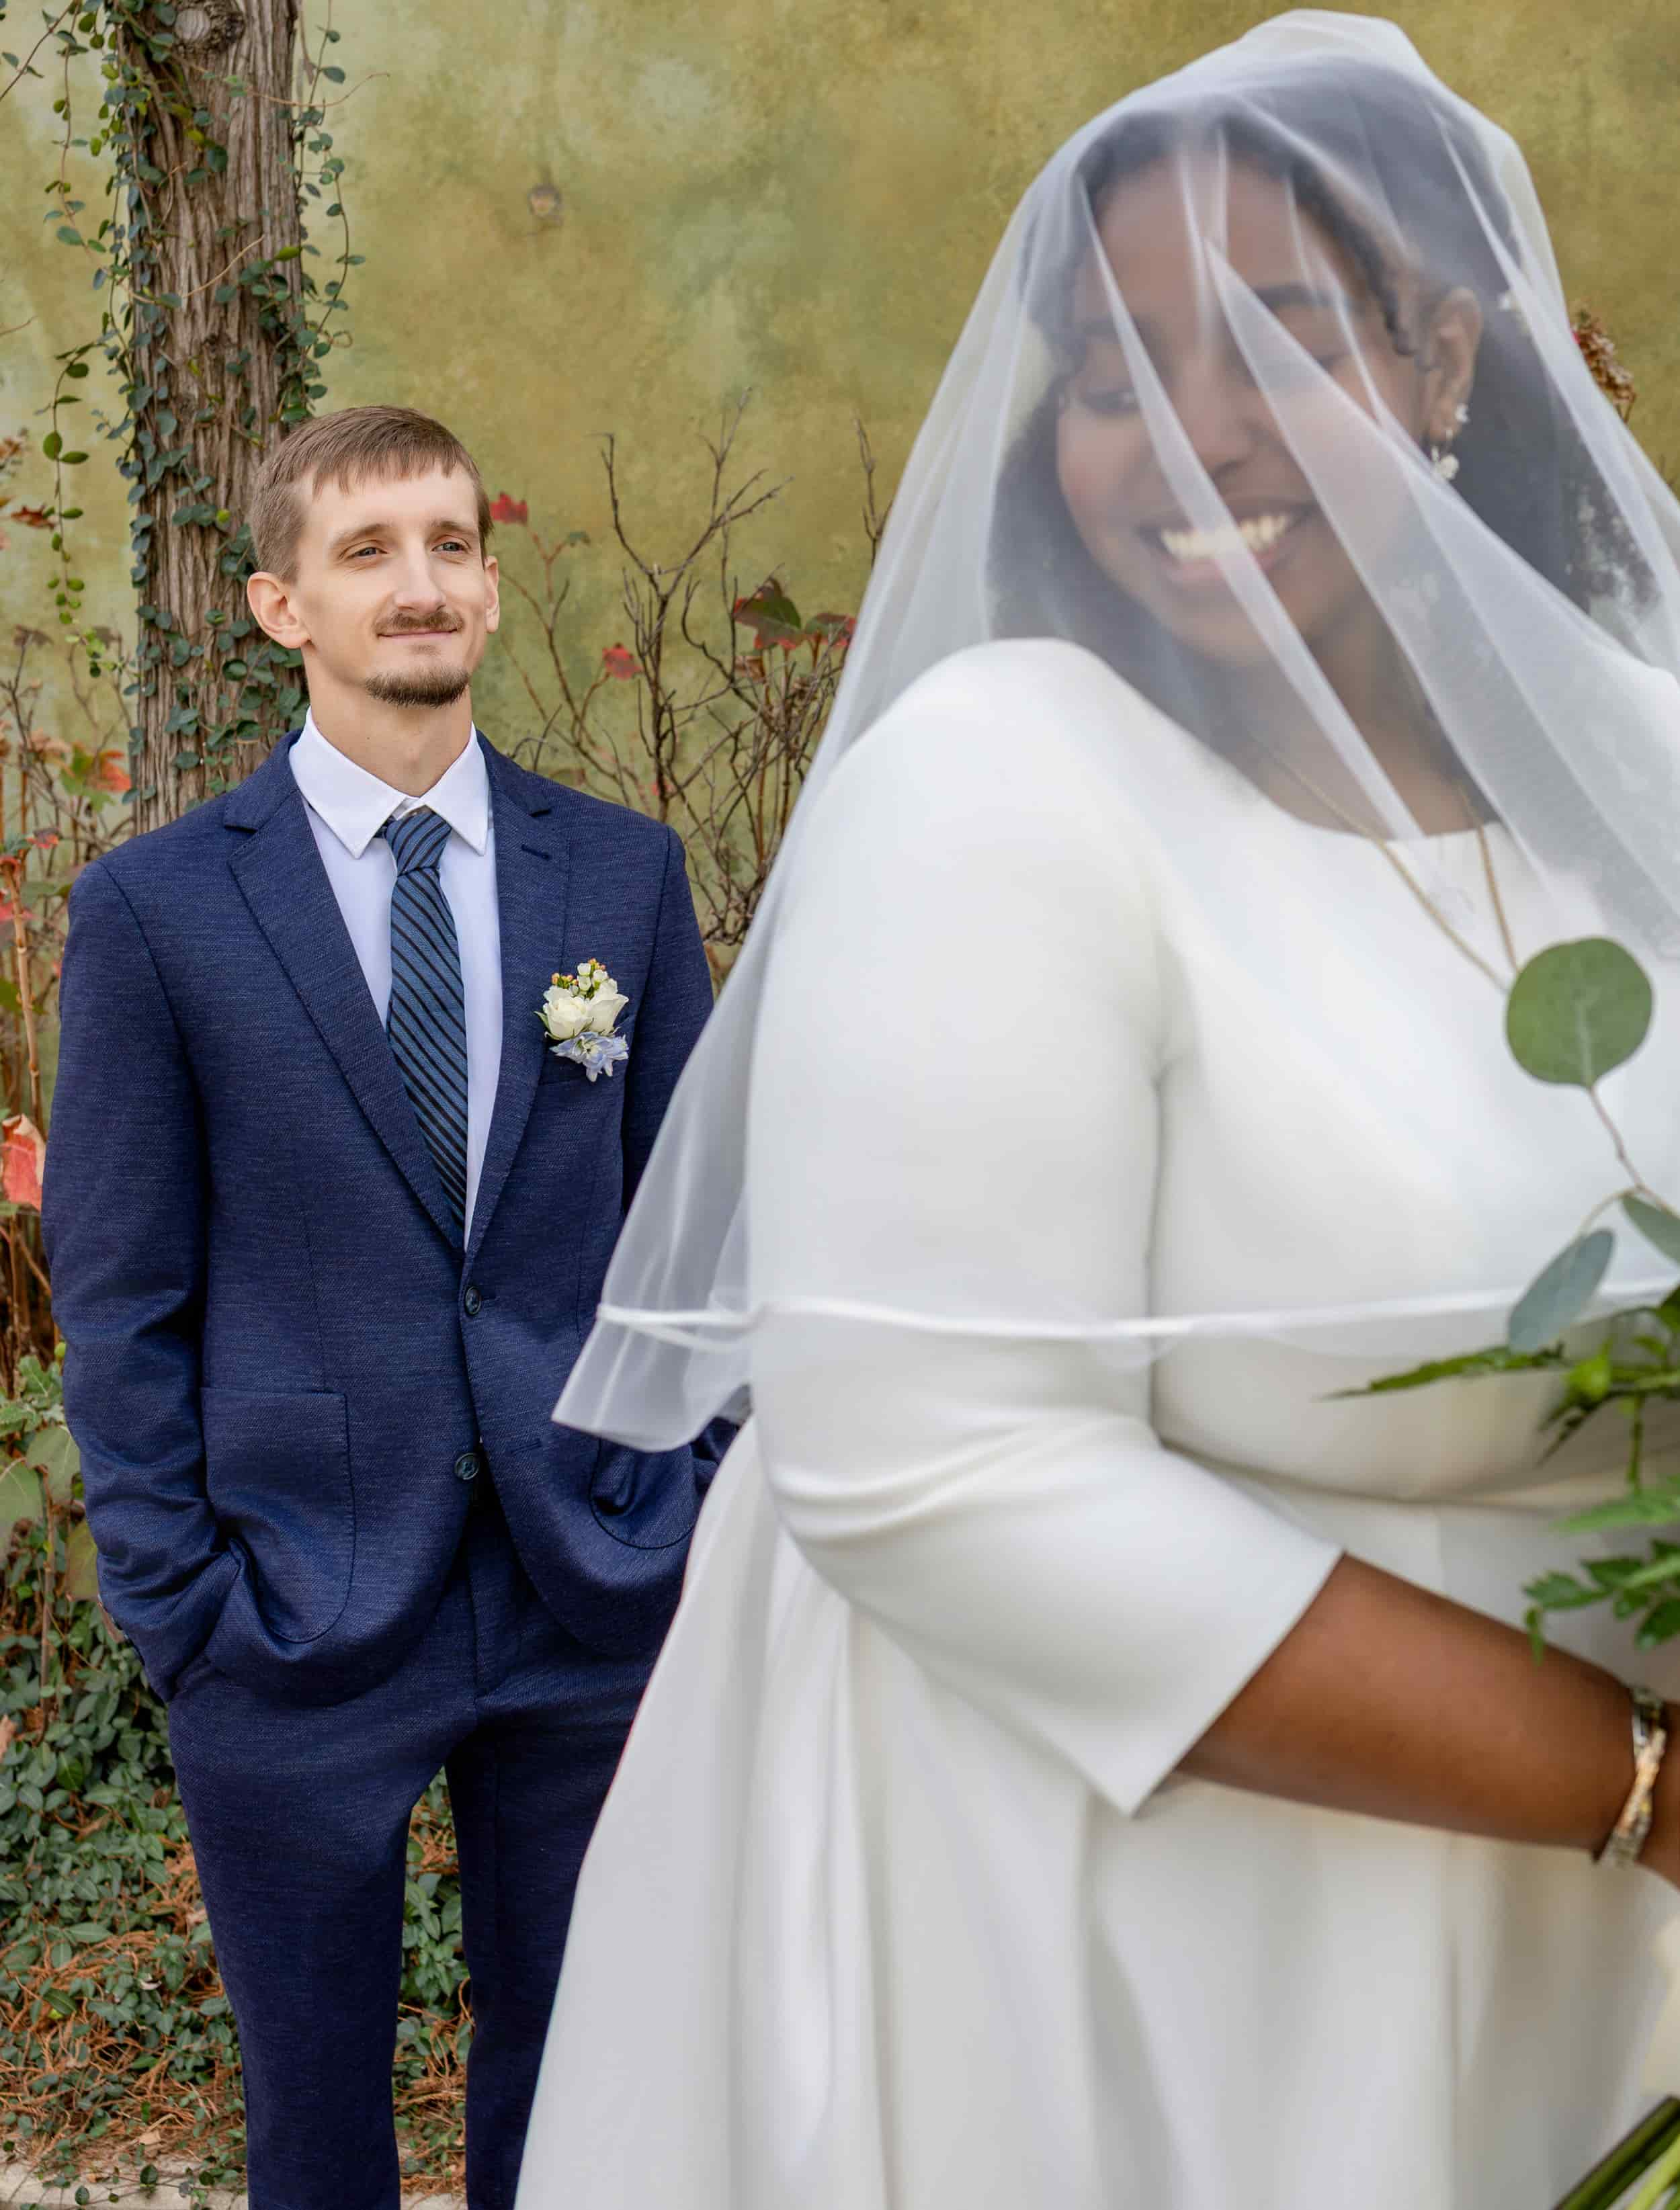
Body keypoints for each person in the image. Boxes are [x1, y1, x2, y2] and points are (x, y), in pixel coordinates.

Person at [515, 15, 1680, 2207]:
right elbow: (934, 1474)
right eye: (1116, 366)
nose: (1185, 435)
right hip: (1131, 1942)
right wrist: (1630, 1783)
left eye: (1271, 338)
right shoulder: (999, 787)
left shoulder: (1634, 749)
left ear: (1443, 358)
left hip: (1577, 1940)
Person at [42, 405, 725, 2210]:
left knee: (587, 2112)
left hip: (594, 1584)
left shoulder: (620, 879)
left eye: (446, 544)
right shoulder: (161, 913)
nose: (416, 583)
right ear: (281, 606)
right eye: (365, 552)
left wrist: (692, 1499)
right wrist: (183, 1606)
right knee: (320, 2137)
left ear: (490, 591)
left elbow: (700, 1231)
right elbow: (119, 1299)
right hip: (290, 1610)